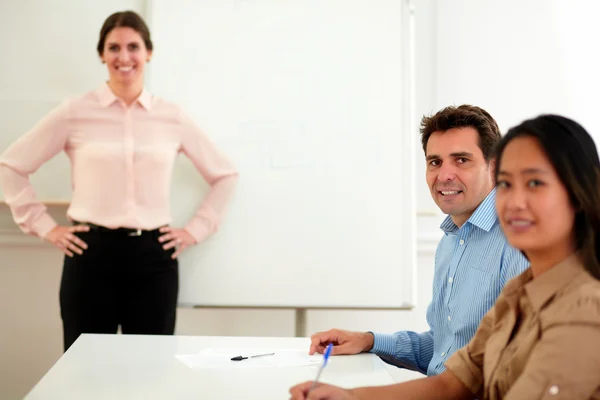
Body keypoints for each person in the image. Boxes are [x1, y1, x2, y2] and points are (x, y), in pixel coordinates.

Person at [290, 114, 600, 400]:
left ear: (577, 193)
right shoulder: (518, 291)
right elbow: (452, 376)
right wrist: (351, 393)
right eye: (507, 183)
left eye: (535, 183)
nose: (515, 201)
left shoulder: (585, 306)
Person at [0, 11, 238, 351]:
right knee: (85, 370)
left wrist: (195, 229)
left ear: (148, 52)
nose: (123, 58)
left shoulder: (171, 116)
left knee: (150, 369)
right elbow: (11, 165)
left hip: (154, 259)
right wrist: (44, 226)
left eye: (133, 47)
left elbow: (225, 174)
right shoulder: (75, 111)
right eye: (113, 48)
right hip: (91, 256)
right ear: (101, 54)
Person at [308, 105, 528, 376]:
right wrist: (369, 340)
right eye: (435, 162)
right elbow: (443, 348)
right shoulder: (450, 242)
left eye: (461, 160)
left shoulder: (519, 242)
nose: (444, 175)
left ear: (494, 167)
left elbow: (518, 366)